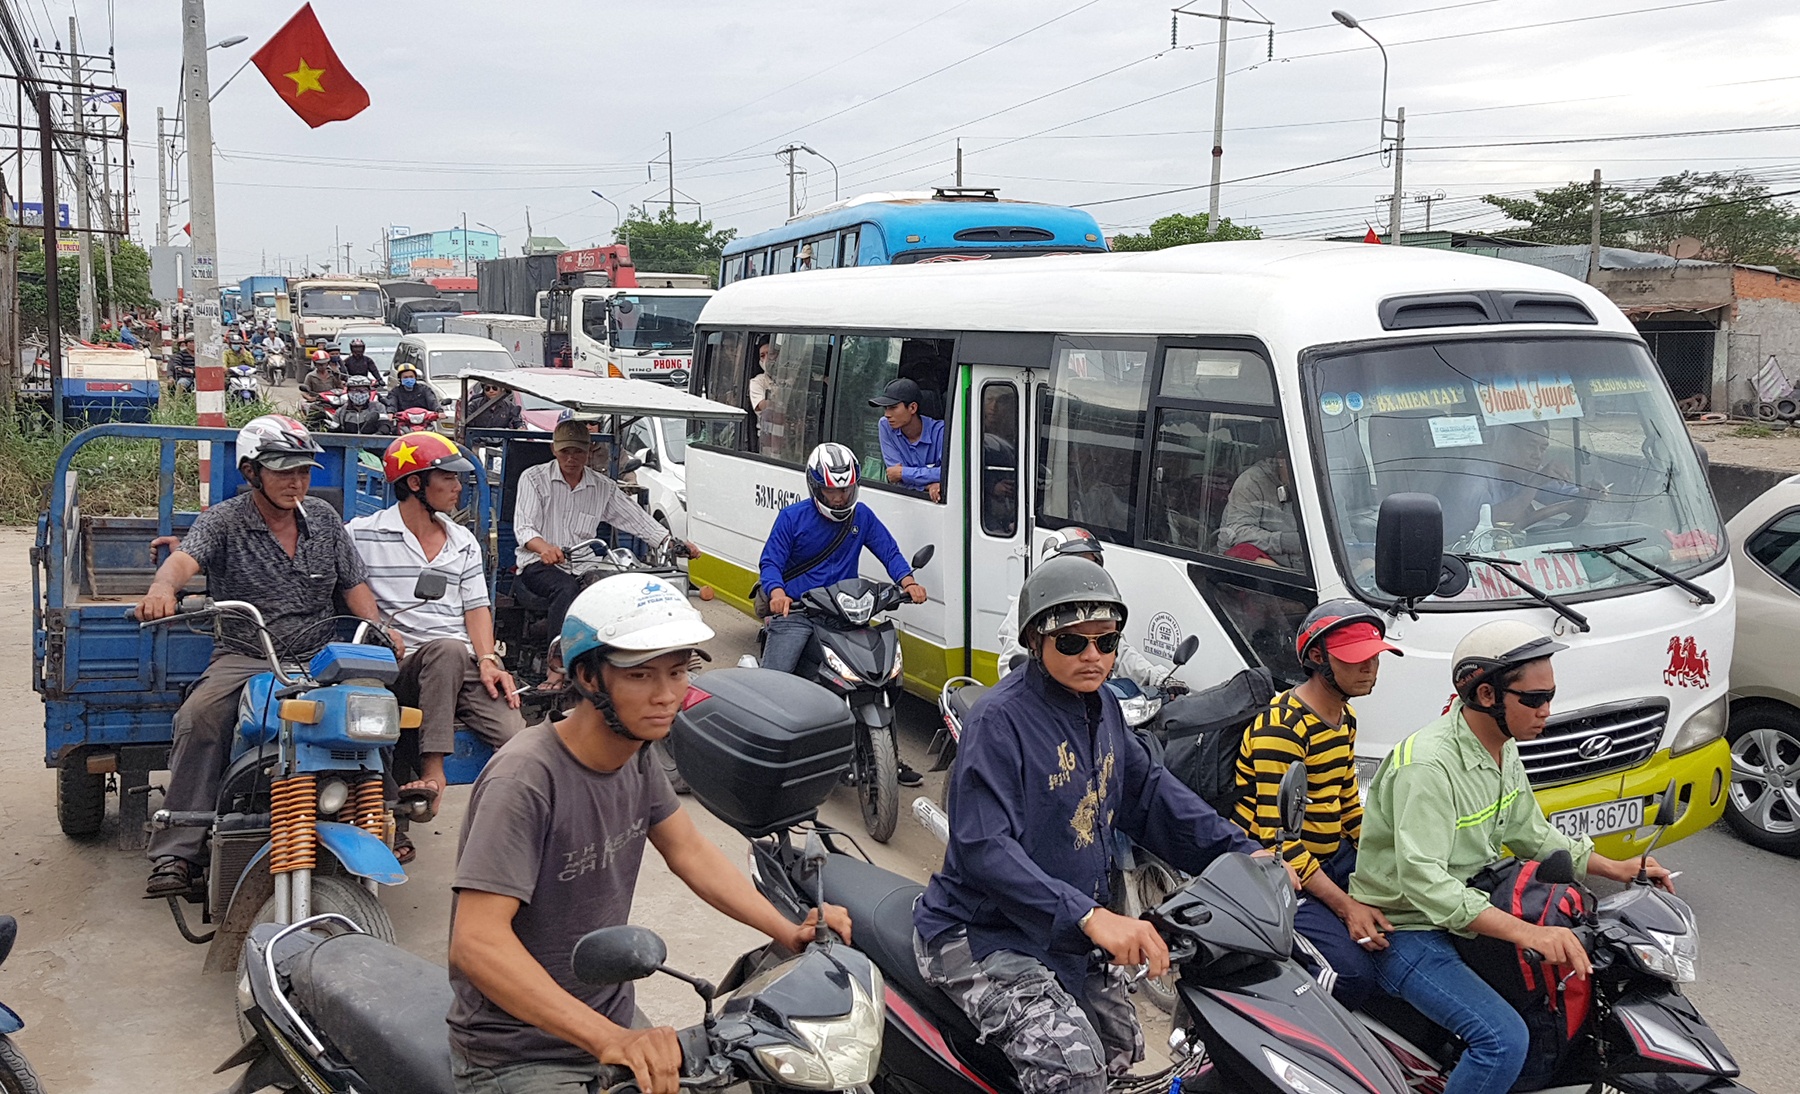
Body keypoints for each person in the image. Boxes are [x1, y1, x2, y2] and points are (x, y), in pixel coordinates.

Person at [447, 574, 851, 1094]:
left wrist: (785, 928)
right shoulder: (526, 778)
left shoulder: (634, 756)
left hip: (608, 1022)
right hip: (519, 1053)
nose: (667, 696)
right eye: (640, 675)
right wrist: (612, 1040)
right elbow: (476, 943)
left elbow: (689, 851)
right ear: (590, 677)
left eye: (678, 672)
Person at [914, 556, 1283, 1094]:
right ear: (1037, 641)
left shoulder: (1104, 705)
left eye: (1106, 642)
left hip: (1064, 932)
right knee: (1075, 1063)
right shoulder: (999, 722)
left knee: (1122, 1045)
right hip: (983, 932)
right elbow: (983, 848)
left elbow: (1148, 794)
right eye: (1072, 642)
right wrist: (1090, 917)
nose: (1093, 655)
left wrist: (1239, 853)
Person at [1350, 621, 1675, 1094]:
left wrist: (1617, 868)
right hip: (1408, 930)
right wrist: (1529, 932)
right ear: (1486, 695)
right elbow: (1425, 885)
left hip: (1469, 909)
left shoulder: (1500, 749)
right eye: (1534, 699)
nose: (1547, 710)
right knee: (1502, 1040)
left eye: (1550, 695)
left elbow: (1531, 833)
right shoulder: (1428, 768)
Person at [141, 415, 399, 897]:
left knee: (375, 708)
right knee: (200, 717)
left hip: (322, 652)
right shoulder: (224, 520)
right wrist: (162, 588)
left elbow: (354, 583)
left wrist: (379, 627)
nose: (296, 482)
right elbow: (184, 560)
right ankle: (177, 849)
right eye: (283, 471)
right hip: (248, 653)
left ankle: (383, 818)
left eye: (302, 471)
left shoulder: (322, 518)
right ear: (251, 472)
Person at [347, 433, 524, 865]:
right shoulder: (362, 534)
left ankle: (513, 830)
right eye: (448, 478)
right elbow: (344, 586)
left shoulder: (462, 540)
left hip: (460, 663)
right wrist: (381, 628)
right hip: (401, 663)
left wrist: (488, 659)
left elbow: (477, 608)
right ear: (414, 484)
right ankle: (432, 770)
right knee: (443, 650)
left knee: (518, 739)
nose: (458, 487)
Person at [1234, 600, 1399, 1009]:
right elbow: (1279, 842)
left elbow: (1347, 806)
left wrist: (1390, 857)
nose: (1370, 669)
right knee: (1348, 975)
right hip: (1281, 874)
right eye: (1356, 660)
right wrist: (1347, 908)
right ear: (1316, 658)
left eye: (1375, 658)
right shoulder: (1282, 729)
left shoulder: (1345, 718)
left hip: (1332, 858)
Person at [759, 442, 927, 785]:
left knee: (881, 674)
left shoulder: (861, 516)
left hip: (845, 611)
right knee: (776, 679)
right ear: (814, 487)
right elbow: (771, 562)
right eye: (831, 492)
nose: (839, 499)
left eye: (845, 491)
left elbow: (888, 549)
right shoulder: (792, 519)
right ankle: (765, 748)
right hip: (800, 611)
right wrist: (777, 593)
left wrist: (908, 581)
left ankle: (888, 757)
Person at [513, 421, 700, 682]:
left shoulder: (603, 487)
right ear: (554, 450)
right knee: (566, 589)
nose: (571, 458)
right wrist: (543, 547)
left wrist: (672, 543)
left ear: (589, 451)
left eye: (577, 452)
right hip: (538, 565)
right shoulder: (533, 478)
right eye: (565, 451)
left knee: (619, 591)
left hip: (585, 564)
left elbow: (637, 520)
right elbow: (524, 527)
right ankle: (556, 667)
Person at [996, 528, 1167, 688]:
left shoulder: (1100, 604)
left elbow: (1121, 653)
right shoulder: (1030, 604)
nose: (1092, 655)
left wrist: (1158, 677)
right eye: (1070, 641)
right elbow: (1010, 667)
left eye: (1091, 565)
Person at [1217, 447, 1302, 568]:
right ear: (1281, 459)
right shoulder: (1251, 481)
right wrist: (1287, 542)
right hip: (1249, 566)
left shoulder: (1313, 485)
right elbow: (1237, 532)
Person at [869, 377, 946, 503]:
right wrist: (928, 485)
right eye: (886, 408)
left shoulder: (941, 431)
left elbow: (948, 474)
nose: (887, 414)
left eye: (893, 407)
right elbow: (894, 476)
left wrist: (904, 473)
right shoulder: (885, 425)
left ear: (912, 408)